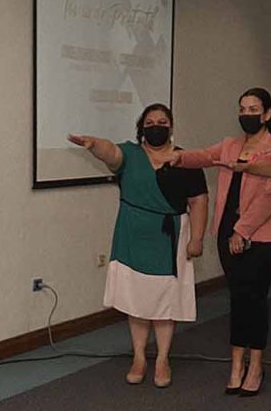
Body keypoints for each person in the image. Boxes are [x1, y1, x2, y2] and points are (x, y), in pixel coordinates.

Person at [69, 104, 209, 389]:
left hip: (169, 238)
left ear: (170, 127)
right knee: (136, 300)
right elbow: (110, 152)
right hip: (132, 236)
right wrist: (94, 144)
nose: (156, 125)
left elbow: (199, 201)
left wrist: (196, 238)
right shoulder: (130, 155)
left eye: (162, 121)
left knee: (165, 302)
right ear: (141, 127)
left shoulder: (186, 160)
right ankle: (139, 357)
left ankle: (162, 359)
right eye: (150, 121)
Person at [173, 89, 271, 396]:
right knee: (237, 299)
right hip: (227, 233)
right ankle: (236, 364)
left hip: (260, 237)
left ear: (266, 114)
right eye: (242, 108)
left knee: (255, 300)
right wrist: (178, 156)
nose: (247, 113)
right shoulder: (231, 145)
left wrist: (242, 231)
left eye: (254, 108)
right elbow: (204, 156)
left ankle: (255, 365)